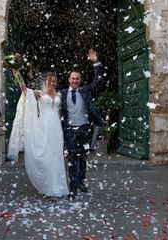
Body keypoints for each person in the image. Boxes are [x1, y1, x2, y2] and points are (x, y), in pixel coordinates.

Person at [8, 71, 69, 199]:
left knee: (55, 156)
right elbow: (25, 91)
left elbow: (59, 112)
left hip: (56, 128)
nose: (53, 83)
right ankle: (45, 185)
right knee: (45, 155)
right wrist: (19, 75)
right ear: (45, 81)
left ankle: (55, 187)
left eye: (55, 81)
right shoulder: (39, 93)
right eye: (51, 81)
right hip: (42, 127)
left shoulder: (59, 95)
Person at [61, 49, 104, 199]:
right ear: (69, 80)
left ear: (80, 80)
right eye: (72, 78)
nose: (75, 81)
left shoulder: (85, 91)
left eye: (77, 79)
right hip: (69, 130)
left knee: (83, 158)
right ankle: (73, 188)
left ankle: (81, 181)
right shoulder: (63, 93)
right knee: (72, 159)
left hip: (84, 128)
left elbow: (98, 81)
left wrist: (96, 63)